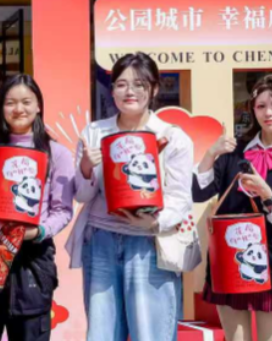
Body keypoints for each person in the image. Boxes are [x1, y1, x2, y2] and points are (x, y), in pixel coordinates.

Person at [66, 52, 194, 341]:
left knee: (151, 334)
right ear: (112, 90)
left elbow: (180, 197)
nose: (129, 92)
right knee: (102, 333)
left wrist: (153, 223)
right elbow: (83, 195)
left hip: (149, 244)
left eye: (139, 84)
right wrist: (85, 167)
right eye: (121, 84)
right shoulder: (94, 133)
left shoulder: (172, 137)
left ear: (155, 89)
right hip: (100, 242)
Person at [0, 75, 75, 341]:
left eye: (26, 102)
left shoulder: (56, 153)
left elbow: (62, 210)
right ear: (1, 107)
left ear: (38, 106)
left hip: (31, 261)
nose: (18, 109)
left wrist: (39, 231)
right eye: (10, 102)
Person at [194, 74, 272, 341]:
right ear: (252, 109)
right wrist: (211, 154)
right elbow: (198, 192)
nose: (268, 113)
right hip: (230, 261)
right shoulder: (234, 152)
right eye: (261, 106)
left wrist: (266, 194)